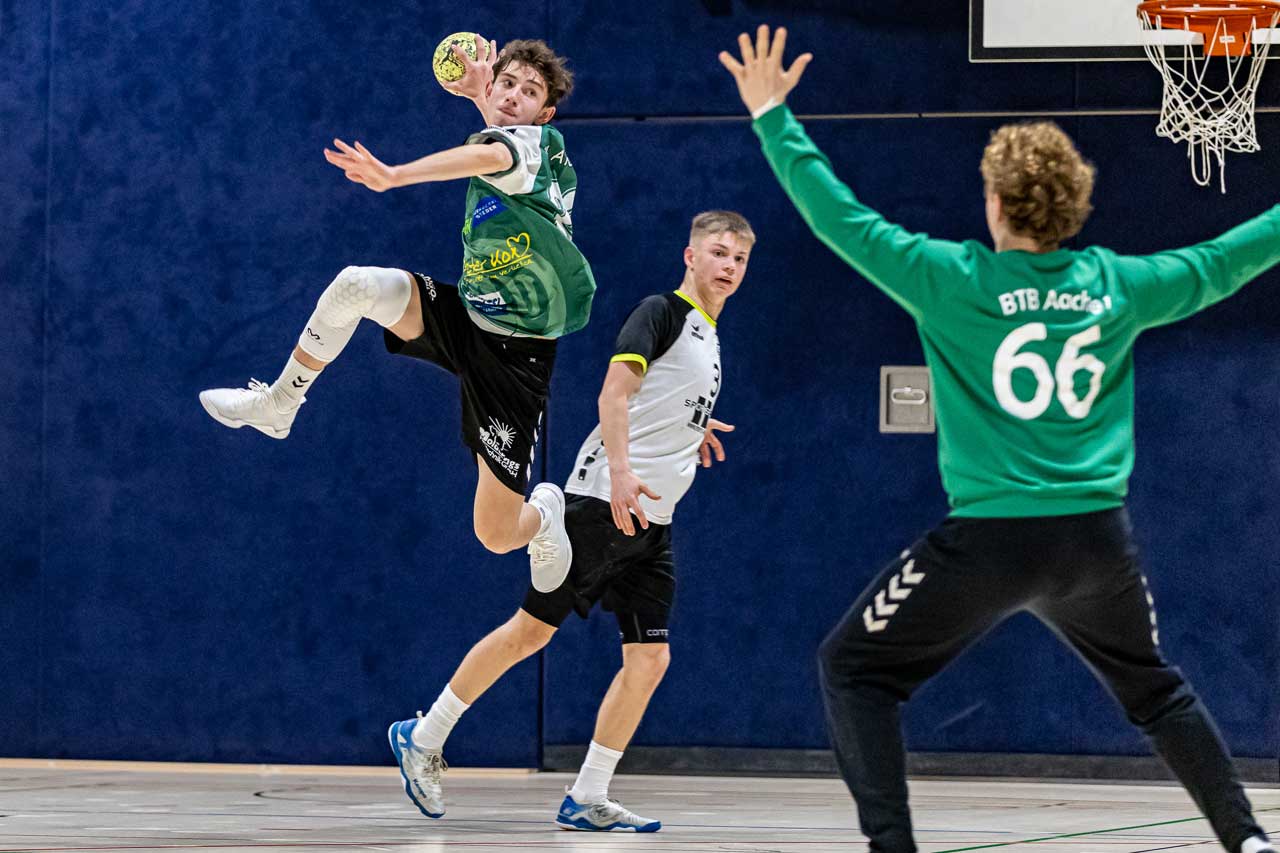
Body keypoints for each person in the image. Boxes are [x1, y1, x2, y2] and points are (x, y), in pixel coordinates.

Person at [720, 24, 1279, 853]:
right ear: (1072, 206)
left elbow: (842, 218)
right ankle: (1248, 839)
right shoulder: (1117, 284)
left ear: (994, 202)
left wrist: (774, 117)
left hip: (991, 539)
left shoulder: (950, 277)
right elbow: (1227, 258)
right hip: (1096, 541)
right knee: (1156, 692)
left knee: (854, 669)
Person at [387, 211, 753, 832]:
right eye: (718, 253)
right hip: (605, 503)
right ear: (690, 257)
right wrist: (622, 472)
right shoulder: (661, 313)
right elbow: (613, 394)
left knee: (650, 660)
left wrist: (691, 427)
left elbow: (657, 399)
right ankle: (423, 737)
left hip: (653, 524)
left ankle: (587, 796)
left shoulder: (708, 334)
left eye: (739, 258)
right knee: (528, 633)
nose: (729, 266)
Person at [198, 38, 596, 592]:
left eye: (529, 92)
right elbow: (495, 138)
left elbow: (490, 155)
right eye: (506, 82)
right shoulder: (516, 139)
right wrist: (479, 95)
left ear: (546, 114)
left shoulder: (533, 146)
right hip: (467, 315)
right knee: (356, 286)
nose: (513, 95)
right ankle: (279, 404)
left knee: (496, 534)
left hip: (517, 354)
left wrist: (394, 174)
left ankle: (547, 512)